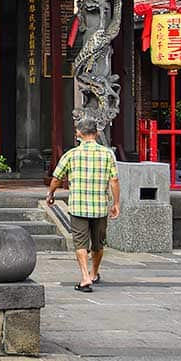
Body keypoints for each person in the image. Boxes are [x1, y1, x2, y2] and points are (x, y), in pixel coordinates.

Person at [47, 116, 120, 293]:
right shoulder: (107, 154)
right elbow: (114, 181)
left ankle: (85, 277)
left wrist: (51, 194)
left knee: (80, 244)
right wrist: (116, 202)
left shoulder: (71, 154)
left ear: (79, 133)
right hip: (100, 207)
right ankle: (94, 273)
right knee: (98, 243)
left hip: (78, 206)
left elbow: (57, 178)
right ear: (96, 133)